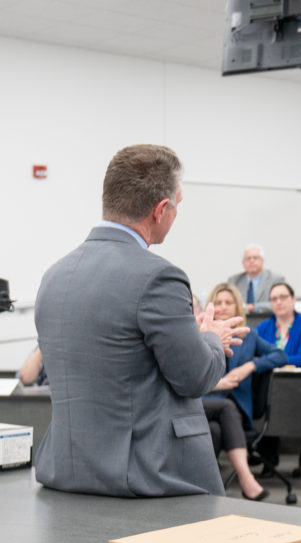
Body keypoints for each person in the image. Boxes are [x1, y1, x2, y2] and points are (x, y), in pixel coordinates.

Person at [33, 144, 247, 497]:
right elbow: (194, 378)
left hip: (67, 472)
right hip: (149, 477)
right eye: (177, 205)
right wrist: (210, 337)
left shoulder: (54, 275)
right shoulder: (159, 277)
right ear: (161, 210)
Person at [203, 283, 287, 501]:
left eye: (228, 302)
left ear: (237, 307)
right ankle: (246, 479)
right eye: (218, 302)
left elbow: (280, 355)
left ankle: (206, 490)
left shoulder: (249, 336)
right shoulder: (201, 335)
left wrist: (250, 366)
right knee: (224, 409)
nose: (223, 307)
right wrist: (218, 383)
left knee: (215, 430)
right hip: (206, 402)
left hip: (236, 410)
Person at [256, 282, 301, 367]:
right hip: (267, 377)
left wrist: (269, 361)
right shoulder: (262, 327)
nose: (278, 302)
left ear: (293, 299)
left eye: (283, 297)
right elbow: (255, 358)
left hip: (296, 378)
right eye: (274, 299)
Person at [227, 244, 285, 314]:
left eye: (255, 258)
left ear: (262, 261)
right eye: (248, 258)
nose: (251, 261)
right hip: (241, 321)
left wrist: (253, 307)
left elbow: (281, 304)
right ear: (243, 263)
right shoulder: (234, 281)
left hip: (267, 319)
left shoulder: (276, 279)